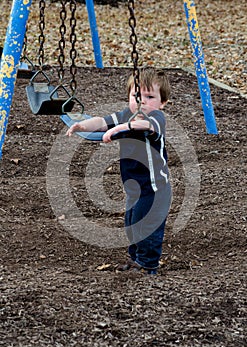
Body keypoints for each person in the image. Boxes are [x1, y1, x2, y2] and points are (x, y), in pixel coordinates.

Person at [66, 67, 172, 275]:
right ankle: (136, 260)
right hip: (134, 188)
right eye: (136, 95)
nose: (142, 101)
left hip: (154, 189)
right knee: (132, 225)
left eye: (150, 97)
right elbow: (101, 122)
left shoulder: (157, 118)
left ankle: (148, 264)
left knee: (147, 226)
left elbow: (144, 127)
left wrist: (118, 130)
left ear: (162, 103)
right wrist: (81, 125)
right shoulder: (125, 115)